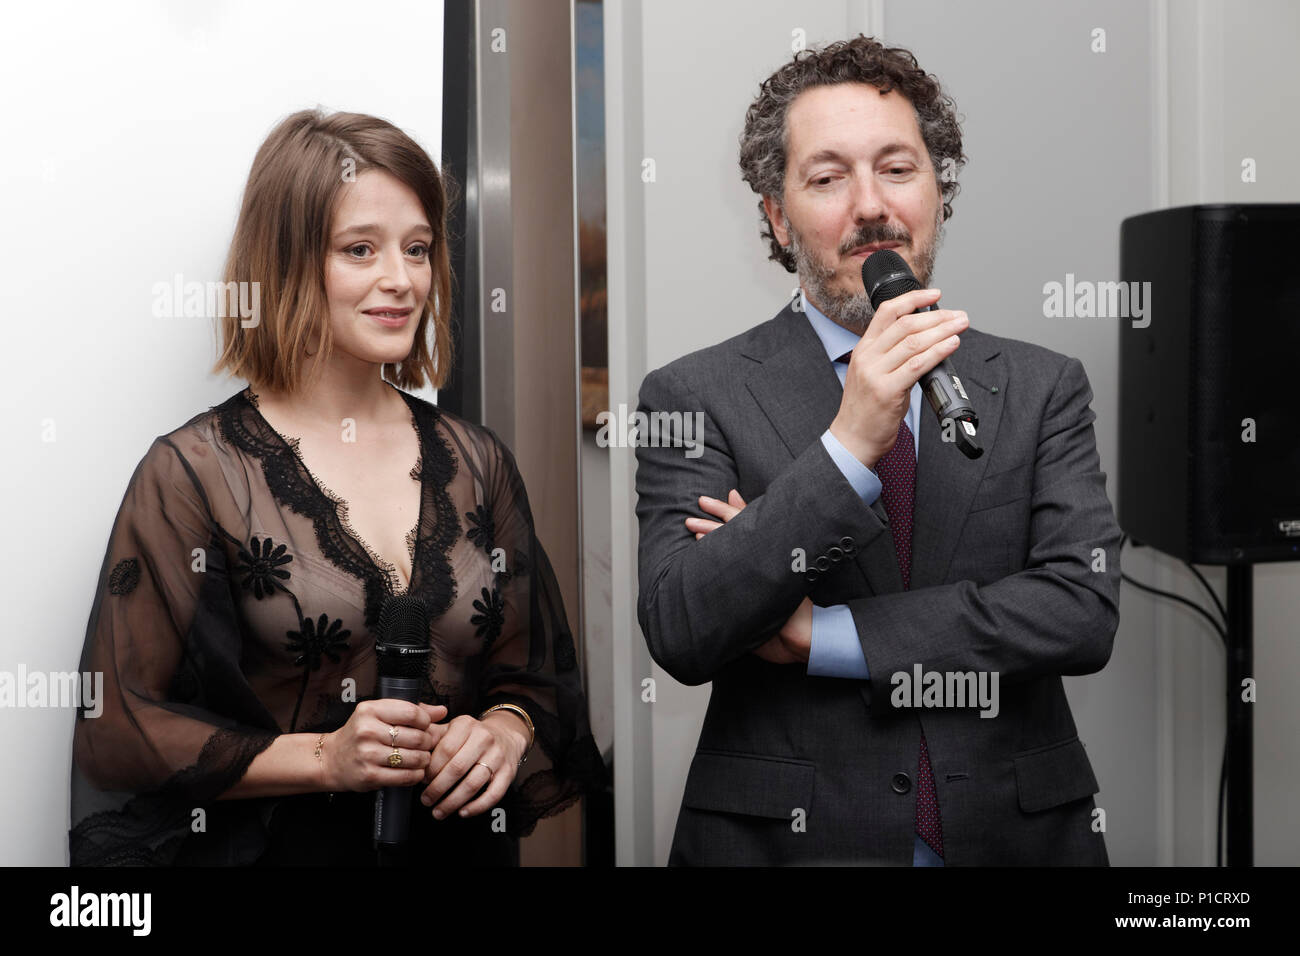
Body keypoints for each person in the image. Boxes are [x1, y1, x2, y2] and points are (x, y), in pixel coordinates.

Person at [69, 109, 605, 866]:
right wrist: (325, 758)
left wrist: (504, 731)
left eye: (418, 250)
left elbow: (535, 678)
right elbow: (118, 728)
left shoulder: (477, 460)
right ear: (286, 263)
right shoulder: (195, 472)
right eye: (362, 249)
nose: (402, 279)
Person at [634, 36, 1120, 865]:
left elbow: (1083, 612)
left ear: (938, 193)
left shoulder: (1042, 387)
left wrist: (826, 635)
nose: (870, 205)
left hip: (1018, 836)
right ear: (777, 217)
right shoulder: (692, 395)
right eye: (827, 178)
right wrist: (847, 447)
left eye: (897, 168)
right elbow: (684, 627)